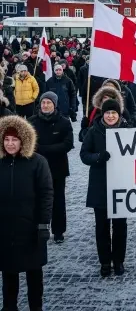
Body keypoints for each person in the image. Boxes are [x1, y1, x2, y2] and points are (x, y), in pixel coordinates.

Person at [0, 115, 53, 311]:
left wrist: (43, 224)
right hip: (5, 230)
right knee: (8, 277)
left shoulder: (38, 162)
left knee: (34, 276)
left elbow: (46, 195)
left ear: (23, 140)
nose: (10, 144)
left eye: (14, 139)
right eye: (6, 139)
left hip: (30, 229)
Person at [80, 97, 129, 277]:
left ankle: (118, 261)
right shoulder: (94, 131)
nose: (110, 116)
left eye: (113, 113)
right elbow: (84, 155)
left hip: (121, 186)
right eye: (107, 112)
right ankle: (105, 262)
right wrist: (99, 157)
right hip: (100, 186)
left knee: (120, 228)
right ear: (103, 114)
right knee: (101, 228)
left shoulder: (127, 131)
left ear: (119, 114)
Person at [29, 91, 74, 244]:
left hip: (58, 167)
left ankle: (59, 231)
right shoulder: (32, 121)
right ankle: (39, 227)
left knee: (58, 200)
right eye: (43, 102)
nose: (45, 105)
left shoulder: (64, 122)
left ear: (54, 105)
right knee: (37, 199)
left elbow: (68, 144)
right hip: (36, 168)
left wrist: (44, 149)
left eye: (49, 103)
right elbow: (29, 144)